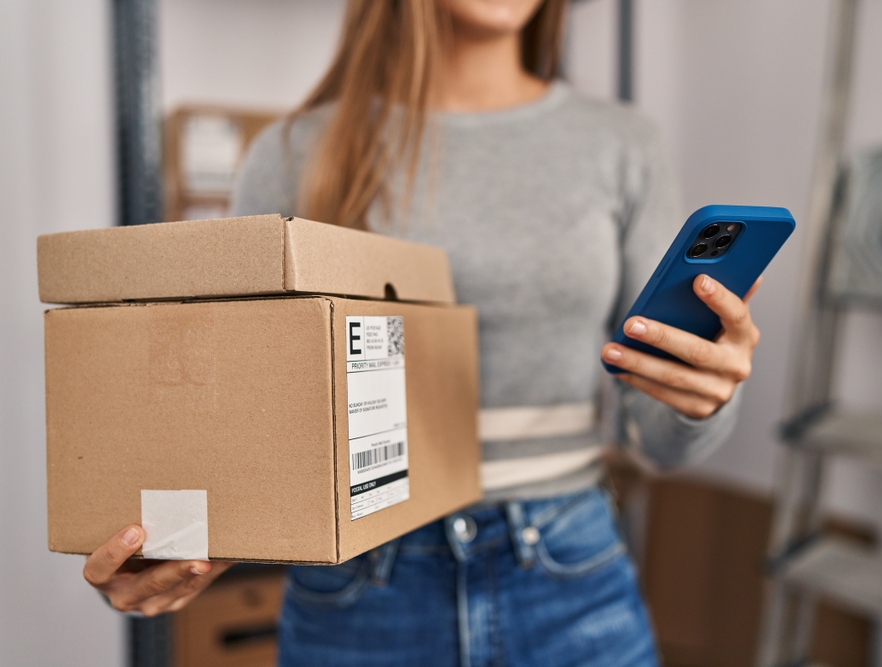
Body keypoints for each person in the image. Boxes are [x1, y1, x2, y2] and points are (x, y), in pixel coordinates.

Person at [82, 1, 762, 665]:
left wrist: (700, 396)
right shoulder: (294, 153)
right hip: (360, 587)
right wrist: (177, 536)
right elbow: (240, 410)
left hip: (568, 571)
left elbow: (656, 436)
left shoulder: (621, 143)